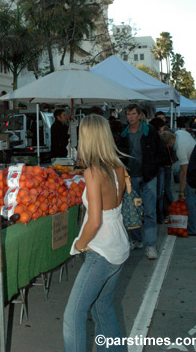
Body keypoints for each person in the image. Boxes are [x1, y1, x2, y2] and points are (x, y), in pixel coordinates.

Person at [63, 115, 129, 351]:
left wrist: (79, 245)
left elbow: (95, 220)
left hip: (101, 249)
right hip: (119, 244)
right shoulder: (119, 167)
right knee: (103, 307)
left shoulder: (93, 173)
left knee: (73, 315)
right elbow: (114, 209)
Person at [118, 104, 168, 259]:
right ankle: (137, 239)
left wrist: (153, 167)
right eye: (128, 114)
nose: (131, 117)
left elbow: (161, 152)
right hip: (131, 178)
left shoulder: (150, 131)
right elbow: (120, 155)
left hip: (148, 177)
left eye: (133, 114)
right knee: (132, 211)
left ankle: (151, 245)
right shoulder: (124, 134)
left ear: (139, 115)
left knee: (150, 211)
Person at [173, 117, 196, 235]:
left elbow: (184, 172)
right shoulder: (180, 133)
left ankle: (192, 229)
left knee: (190, 200)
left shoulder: (179, 147)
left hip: (194, 169)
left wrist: (181, 191)